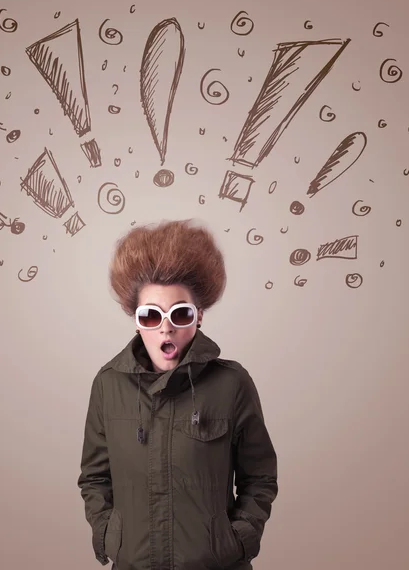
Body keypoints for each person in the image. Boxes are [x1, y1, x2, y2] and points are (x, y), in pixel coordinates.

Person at [78, 219, 278, 570]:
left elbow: (259, 476)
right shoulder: (108, 385)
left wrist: (238, 538)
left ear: (198, 317)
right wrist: (109, 533)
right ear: (136, 319)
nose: (166, 327)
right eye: (151, 315)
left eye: (180, 313)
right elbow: (95, 477)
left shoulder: (231, 384)